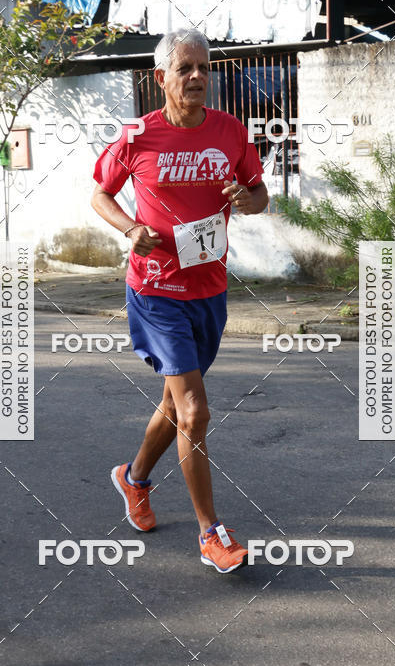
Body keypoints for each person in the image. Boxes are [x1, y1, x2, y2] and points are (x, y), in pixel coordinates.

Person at [91, 28, 268, 574]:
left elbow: (260, 195)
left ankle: (134, 479)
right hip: (155, 290)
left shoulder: (230, 131)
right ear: (161, 76)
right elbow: (99, 193)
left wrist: (247, 196)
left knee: (175, 405)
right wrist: (129, 227)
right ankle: (211, 534)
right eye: (185, 68)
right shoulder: (138, 135)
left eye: (203, 68)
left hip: (209, 290)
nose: (196, 77)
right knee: (195, 409)